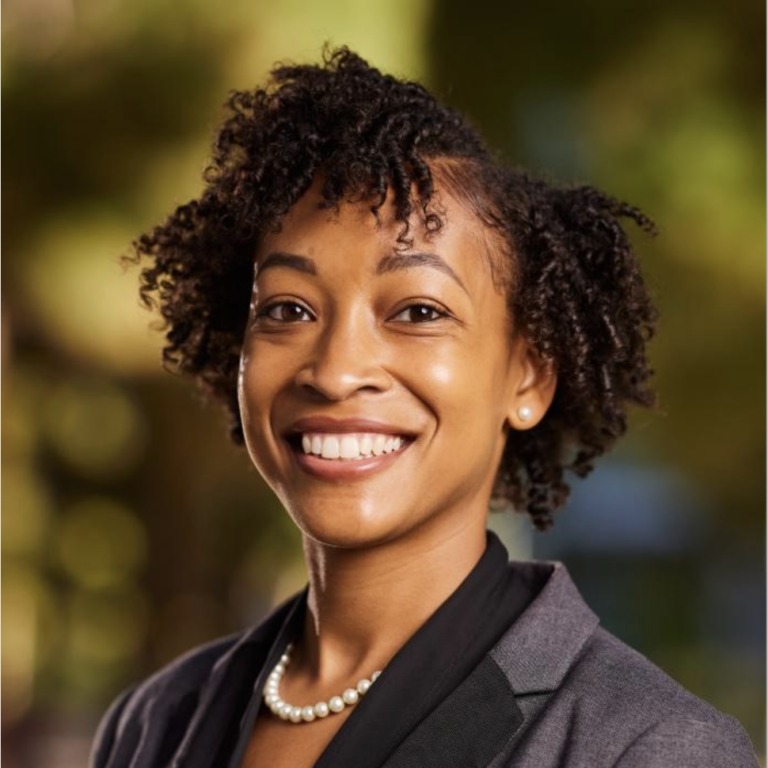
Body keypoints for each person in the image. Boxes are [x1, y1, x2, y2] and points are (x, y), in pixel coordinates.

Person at [89, 45, 760, 768]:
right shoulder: (153, 724)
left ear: (529, 378)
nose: (336, 371)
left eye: (416, 311)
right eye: (287, 309)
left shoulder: (647, 748)